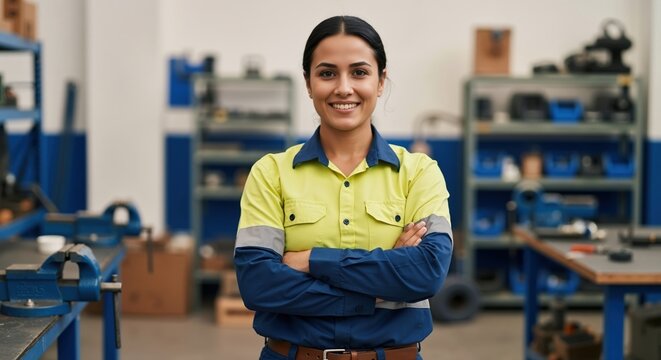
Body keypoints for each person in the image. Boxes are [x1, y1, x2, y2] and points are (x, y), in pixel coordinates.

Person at [234, 15, 453, 360]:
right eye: (327, 73)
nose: (343, 87)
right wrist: (381, 285)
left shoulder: (418, 173)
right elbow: (258, 284)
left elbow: (425, 274)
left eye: (360, 72)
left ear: (381, 81)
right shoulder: (271, 173)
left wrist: (311, 260)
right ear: (308, 83)